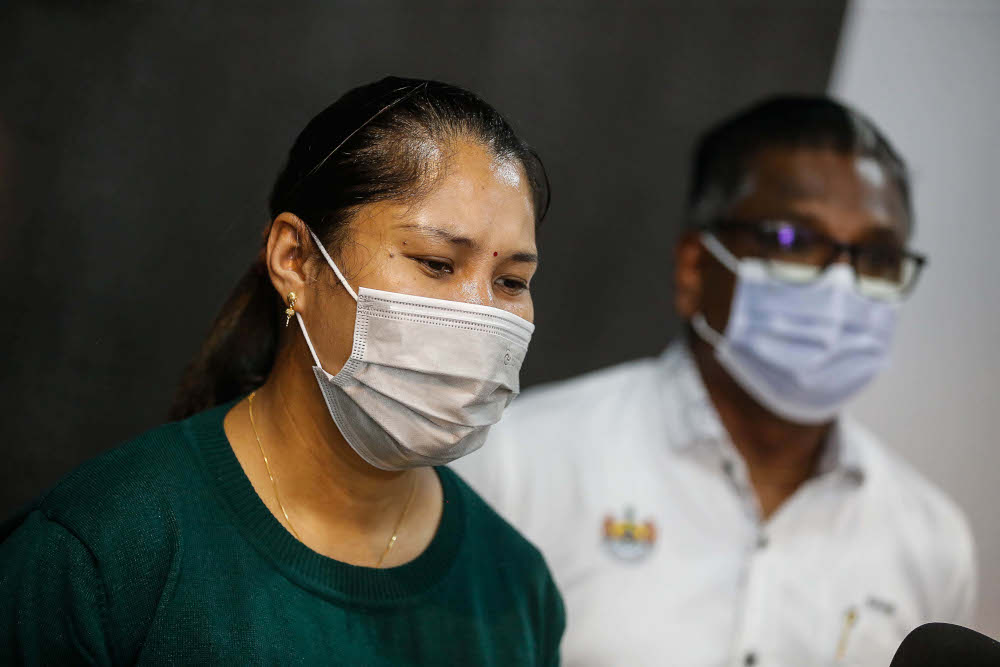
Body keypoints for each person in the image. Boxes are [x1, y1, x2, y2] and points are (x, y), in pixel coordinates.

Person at [0, 76, 564, 665]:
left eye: (511, 282)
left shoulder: (515, 590)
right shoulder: (103, 553)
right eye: (435, 263)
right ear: (295, 260)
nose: (479, 315)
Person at [453, 96, 976, 666]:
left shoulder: (932, 541)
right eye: (793, 242)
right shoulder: (520, 463)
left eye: (876, 256)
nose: (841, 288)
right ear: (695, 268)